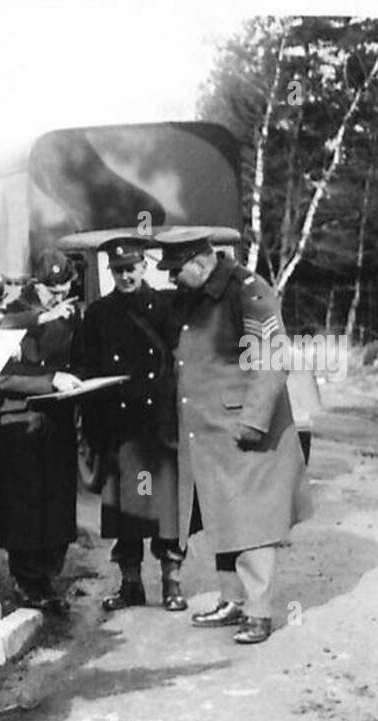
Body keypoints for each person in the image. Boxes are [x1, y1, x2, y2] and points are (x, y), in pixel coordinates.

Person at [157, 228, 313, 645]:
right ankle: (232, 599)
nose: (171, 279)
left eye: (176, 270)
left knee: (253, 519)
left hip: (243, 426)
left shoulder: (248, 289)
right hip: (207, 429)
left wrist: (254, 420)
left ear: (202, 262)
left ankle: (259, 612)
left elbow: (274, 355)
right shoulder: (194, 295)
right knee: (221, 513)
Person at [75, 236, 187, 612]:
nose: (125, 276)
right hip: (119, 427)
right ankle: (131, 584)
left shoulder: (165, 308)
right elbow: (84, 366)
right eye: (118, 270)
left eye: (131, 269)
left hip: (156, 427)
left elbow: (181, 362)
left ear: (143, 267)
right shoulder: (99, 314)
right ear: (110, 272)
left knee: (165, 512)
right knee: (126, 513)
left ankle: (172, 584)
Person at [0, 251, 85, 611]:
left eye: (64, 291)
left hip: (55, 423)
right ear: (34, 285)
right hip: (18, 423)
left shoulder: (69, 316)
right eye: (51, 291)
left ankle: (47, 579)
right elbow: (1, 375)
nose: (59, 299)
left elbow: (75, 359)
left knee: (56, 501)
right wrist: (49, 381)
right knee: (24, 506)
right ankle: (28, 582)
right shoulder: (10, 317)